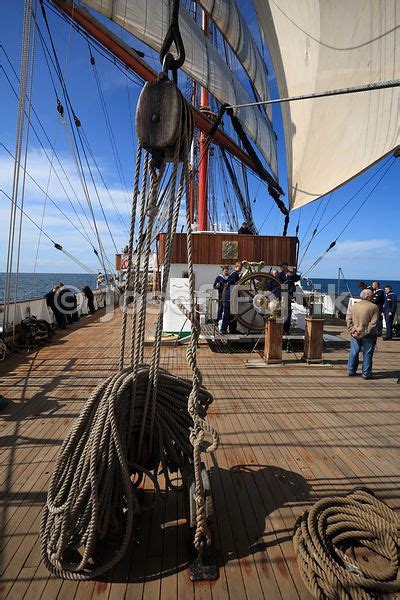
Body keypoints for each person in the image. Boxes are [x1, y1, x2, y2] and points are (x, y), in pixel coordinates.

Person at [346, 288, 379, 379]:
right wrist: (364, 333)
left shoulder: (354, 306)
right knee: (367, 353)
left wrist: (353, 331)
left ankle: (351, 370)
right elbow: (373, 323)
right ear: (369, 296)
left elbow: (348, 319)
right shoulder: (374, 307)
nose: (373, 296)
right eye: (372, 295)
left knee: (354, 352)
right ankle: (366, 373)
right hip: (368, 335)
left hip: (355, 334)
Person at [277, 262, 300, 334]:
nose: (281, 267)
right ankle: (279, 330)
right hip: (282, 296)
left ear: (286, 266)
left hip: (289, 297)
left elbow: (297, 279)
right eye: (280, 266)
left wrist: (294, 273)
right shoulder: (279, 275)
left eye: (282, 266)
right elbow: (278, 284)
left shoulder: (291, 274)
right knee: (280, 313)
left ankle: (286, 330)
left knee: (288, 313)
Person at [221, 261, 242, 334]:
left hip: (231, 295)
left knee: (233, 314)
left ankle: (232, 329)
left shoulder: (233, 274)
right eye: (240, 267)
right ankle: (223, 329)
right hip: (230, 296)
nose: (241, 269)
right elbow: (237, 284)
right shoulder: (235, 274)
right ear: (236, 267)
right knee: (228, 314)